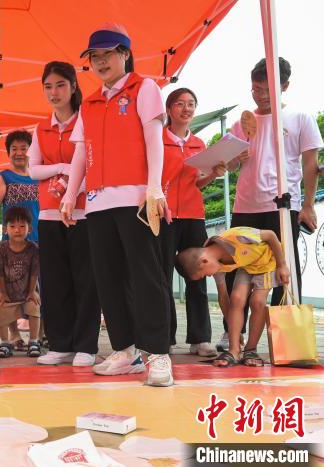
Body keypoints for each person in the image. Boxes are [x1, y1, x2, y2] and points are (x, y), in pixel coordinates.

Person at [61, 23, 173, 386]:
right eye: (94, 56)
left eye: (107, 54)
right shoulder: (90, 102)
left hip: (137, 197)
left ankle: (157, 354)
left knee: (146, 276)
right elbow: (80, 152)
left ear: (125, 53)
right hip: (97, 202)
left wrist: (154, 186)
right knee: (107, 278)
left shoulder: (145, 89)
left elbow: (154, 139)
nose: (100, 61)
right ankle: (125, 349)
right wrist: (69, 194)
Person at [220, 57, 323, 351]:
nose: (260, 95)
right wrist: (233, 160)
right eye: (255, 89)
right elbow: (225, 165)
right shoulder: (243, 123)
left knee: (283, 272)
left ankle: (284, 339)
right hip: (244, 206)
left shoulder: (300, 119)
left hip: (281, 206)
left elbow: (310, 164)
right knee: (233, 269)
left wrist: (308, 205)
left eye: (266, 90)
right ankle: (232, 334)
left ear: (285, 86)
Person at [28, 60, 101, 367]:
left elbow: (93, 163)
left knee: (86, 280)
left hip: (83, 213)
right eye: (48, 86)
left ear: (73, 87)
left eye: (60, 85)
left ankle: (86, 345)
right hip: (49, 214)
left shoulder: (87, 123)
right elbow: (33, 170)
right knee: (55, 282)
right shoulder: (40, 128)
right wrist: (61, 168)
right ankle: (60, 344)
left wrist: (75, 178)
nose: (54, 92)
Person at [160, 88, 226, 357]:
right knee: (161, 276)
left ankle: (200, 338)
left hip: (193, 216)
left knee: (198, 274)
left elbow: (197, 182)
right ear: (169, 109)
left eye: (191, 104)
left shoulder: (199, 144)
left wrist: (214, 174)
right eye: (180, 104)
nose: (186, 109)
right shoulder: (156, 140)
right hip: (163, 215)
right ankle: (163, 337)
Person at [176, 227, 290, 367]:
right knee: (236, 298)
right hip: (248, 266)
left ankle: (251, 349)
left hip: (267, 262)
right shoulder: (216, 266)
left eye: (205, 274)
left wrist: (282, 265)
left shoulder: (237, 237)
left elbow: (271, 235)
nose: (209, 276)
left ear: (203, 261)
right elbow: (224, 298)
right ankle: (234, 350)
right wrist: (234, 330)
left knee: (257, 301)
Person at [0, 130, 40, 350]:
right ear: (8, 153)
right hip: (12, 246)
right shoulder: (4, 177)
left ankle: (39, 337)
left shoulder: (38, 175)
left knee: (35, 291)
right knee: (9, 289)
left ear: (31, 150)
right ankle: (15, 336)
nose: (19, 153)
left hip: (37, 242)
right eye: (14, 149)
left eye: (23, 148)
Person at [0, 207, 42, 358]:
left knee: (34, 306)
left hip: (28, 288)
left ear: (30, 228)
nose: (17, 230)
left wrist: (31, 291)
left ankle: (34, 341)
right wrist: (3, 292)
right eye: (12, 226)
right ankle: (4, 342)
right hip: (6, 289)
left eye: (22, 226)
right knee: (1, 309)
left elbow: (35, 272)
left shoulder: (33, 249)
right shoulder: (1, 249)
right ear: (4, 229)